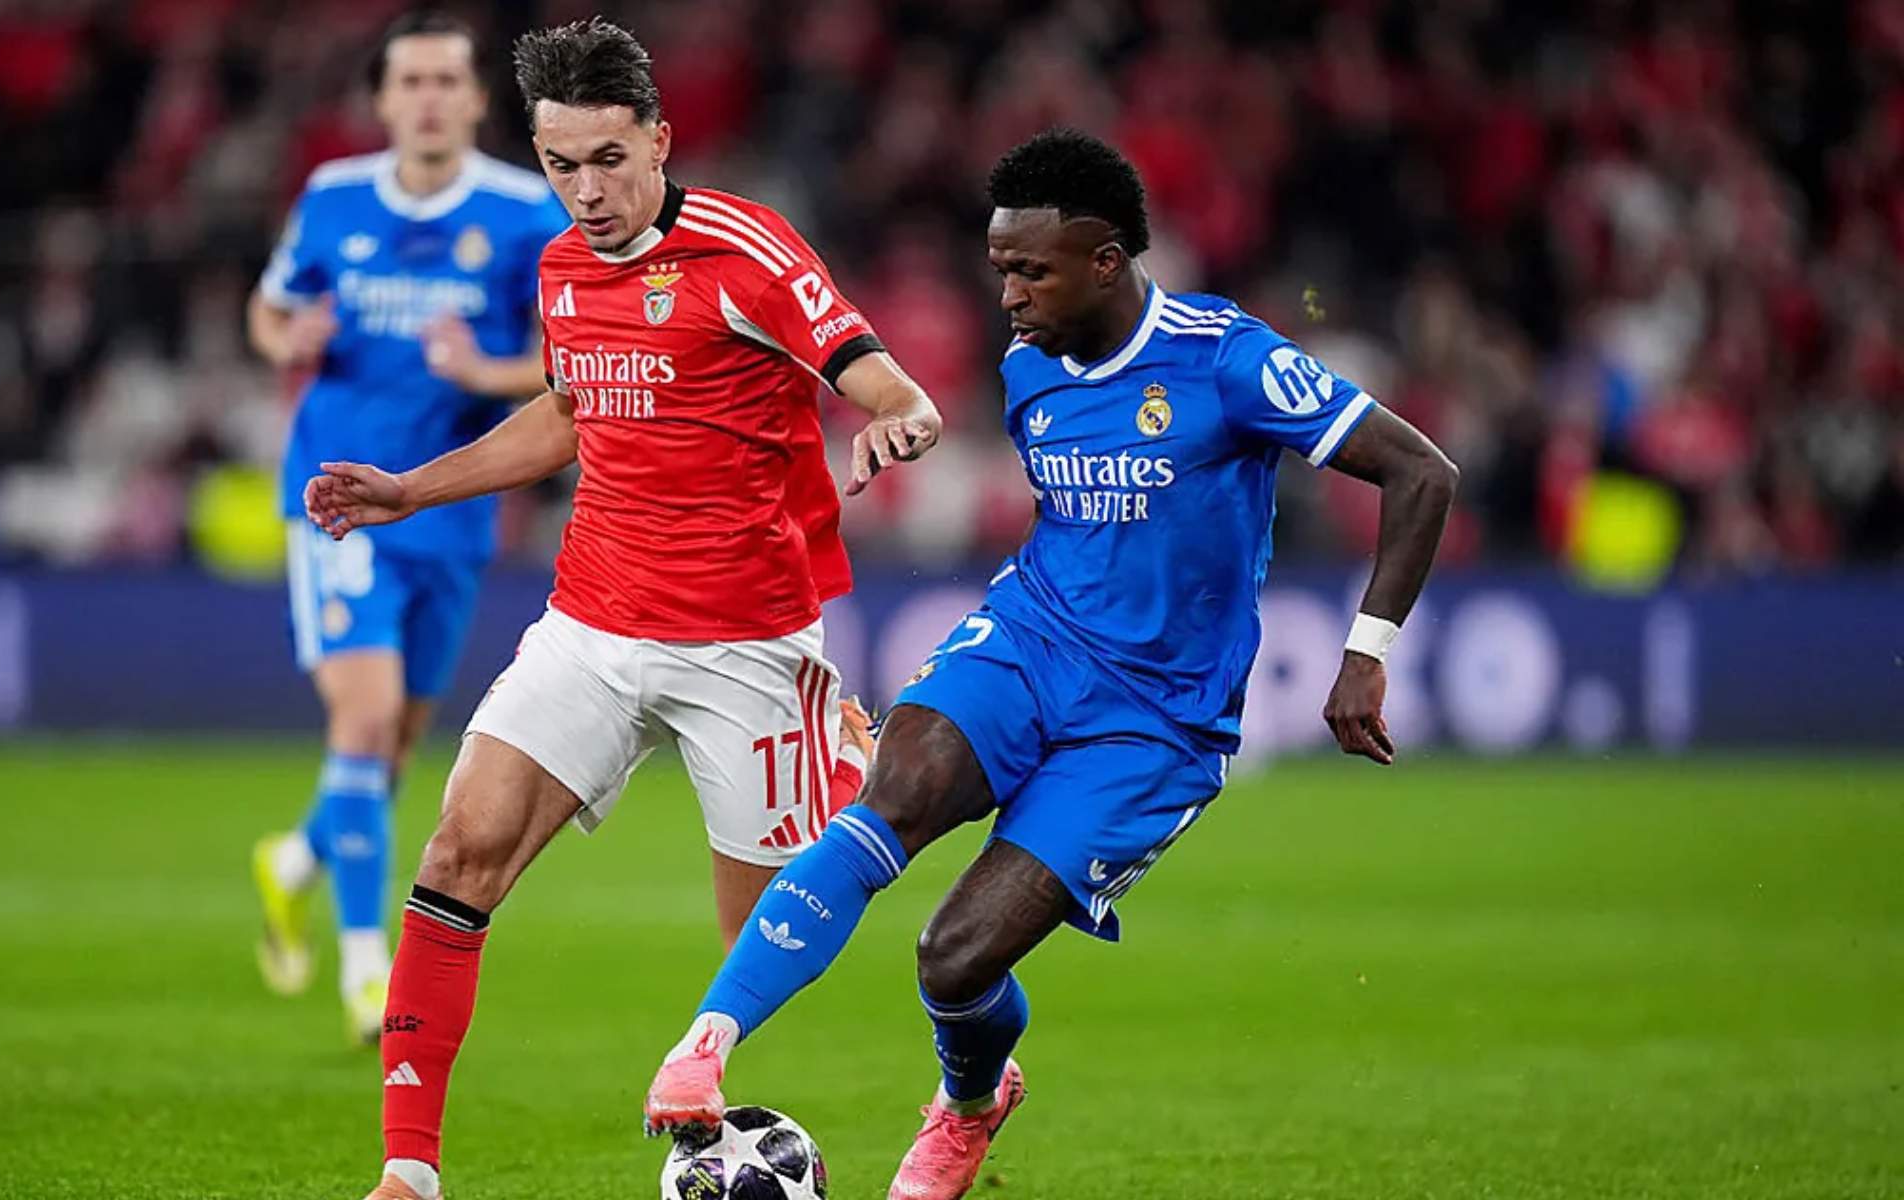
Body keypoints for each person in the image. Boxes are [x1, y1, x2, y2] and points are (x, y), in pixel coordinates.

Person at [642, 128, 1460, 1200]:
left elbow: (1419, 471)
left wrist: (1364, 653)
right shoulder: (1029, 370)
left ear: (1105, 260)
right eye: (998, 271)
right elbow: (1079, 526)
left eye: (1029, 270)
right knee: (894, 792)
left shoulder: (1227, 360)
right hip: (1030, 642)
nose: (1009, 296)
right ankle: (703, 1044)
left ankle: (970, 1104)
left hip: (1155, 723)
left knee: (955, 957)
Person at [301, 19, 943, 1200]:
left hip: (747, 644)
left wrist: (897, 416)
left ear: (658, 135)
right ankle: (407, 1171)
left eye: (607, 160)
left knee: (765, 944)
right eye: (559, 165)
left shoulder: (747, 251)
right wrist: (407, 490)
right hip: (592, 624)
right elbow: (565, 413)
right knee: (457, 849)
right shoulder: (559, 267)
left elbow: (874, 375)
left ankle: (844, 764)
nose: (584, 192)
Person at [246, 10, 568, 1046]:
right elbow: (269, 309)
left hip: (447, 504)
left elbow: (569, 364)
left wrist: (488, 373)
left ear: (476, 101)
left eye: (446, 82)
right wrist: (284, 333)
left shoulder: (523, 211)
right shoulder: (334, 197)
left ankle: (296, 858)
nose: (428, 98)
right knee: (366, 718)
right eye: (410, 82)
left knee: (396, 745)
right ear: (383, 100)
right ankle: (361, 971)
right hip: (337, 498)